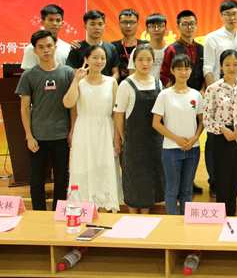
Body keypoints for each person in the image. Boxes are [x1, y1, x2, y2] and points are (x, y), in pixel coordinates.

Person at [16, 30, 74, 210]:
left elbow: (73, 107)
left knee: (62, 178)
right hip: (38, 137)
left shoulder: (68, 73)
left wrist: (72, 131)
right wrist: (29, 136)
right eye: (41, 47)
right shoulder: (29, 75)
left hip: (61, 136)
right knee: (36, 179)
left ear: (55, 47)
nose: (46, 50)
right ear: (35, 51)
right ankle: (39, 214)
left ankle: (59, 212)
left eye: (49, 46)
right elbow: (24, 108)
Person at [63, 45, 122, 211]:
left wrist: (117, 137)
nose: (99, 61)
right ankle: (82, 208)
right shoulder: (80, 82)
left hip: (105, 130)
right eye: (95, 57)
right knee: (82, 167)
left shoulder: (111, 82)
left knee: (104, 168)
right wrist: (76, 80)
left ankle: (104, 207)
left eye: (102, 58)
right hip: (84, 130)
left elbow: (116, 112)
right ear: (86, 59)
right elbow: (68, 103)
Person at [113, 44, 164, 214]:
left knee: (150, 178)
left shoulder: (158, 83)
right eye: (141, 59)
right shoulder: (126, 85)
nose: (145, 63)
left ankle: (146, 214)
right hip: (134, 141)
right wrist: (122, 138)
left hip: (154, 141)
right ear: (134, 62)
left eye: (148, 59)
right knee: (134, 179)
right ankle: (133, 217)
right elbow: (119, 114)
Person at [159, 10, 206, 195]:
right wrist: (173, 94)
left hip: (195, 99)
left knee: (192, 137)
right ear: (178, 26)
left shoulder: (201, 49)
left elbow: (205, 72)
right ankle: (176, 182)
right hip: (177, 99)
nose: (189, 27)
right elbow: (164, 75)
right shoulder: (171, 49)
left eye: (192, 23)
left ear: (196, 25)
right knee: (177, 138)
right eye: (185, 24)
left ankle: (189, 180)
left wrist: (202, 91)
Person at [152, 54, 204, 215]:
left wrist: (195, 138)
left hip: (193, 149)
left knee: (187, 190)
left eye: (187, 68)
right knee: (172, 189)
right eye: (179, 69)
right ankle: (172, 223)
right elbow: (156, 123)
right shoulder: (164, 95)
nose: (183, 72)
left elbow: (202, 121)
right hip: (171, 150)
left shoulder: (196, 95)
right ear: (172, 71)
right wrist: (177, 139)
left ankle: (185, 222)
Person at [204, 50, 237, 216]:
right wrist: (224, 130)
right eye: (227, 64)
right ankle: (221, 218)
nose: (231, 68)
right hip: (219, 138)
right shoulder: (213, 89)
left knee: (235, 180)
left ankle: (231, 216)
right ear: (221, 66)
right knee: (221, 181)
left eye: (235, 64)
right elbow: (207, 117)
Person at [203, 0, 237, 86]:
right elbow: (208, 68)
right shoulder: (212, 38)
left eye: (234, 14)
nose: (231, 18)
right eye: (227, 14)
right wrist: (213, 90)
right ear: (221, 16)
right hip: (219, 86)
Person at [66, 10, 120, 80]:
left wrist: (109, 83)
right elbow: (71, 72)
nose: (97, 27)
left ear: (104, 26)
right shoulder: (77, 47)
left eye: (100, 24)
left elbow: (116, 73)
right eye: (92, 24)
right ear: (85, 26)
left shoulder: (111, 48)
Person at [21, 4, 72, 70]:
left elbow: (70, 74)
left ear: (62, 23)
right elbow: (29, 74)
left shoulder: (68, 48)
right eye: (51, 20)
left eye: (58, 20)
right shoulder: (31, 48)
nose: (54, 23)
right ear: (42, 22)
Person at [128, 13, 168, 80]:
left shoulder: (170, 51)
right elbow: (132, 77)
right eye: (152, 26)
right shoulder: (138, 51)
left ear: (166, 29)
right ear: (147, 29)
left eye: (160, 26)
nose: (156, 29)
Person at [112, 8, 147, 82]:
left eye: (132, 22)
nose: (128, 25)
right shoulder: (112, 47)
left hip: (142, 86)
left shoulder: (146, 46)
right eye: (124, 22)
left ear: (137, 24)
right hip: (118, 87)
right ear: (119, 24)